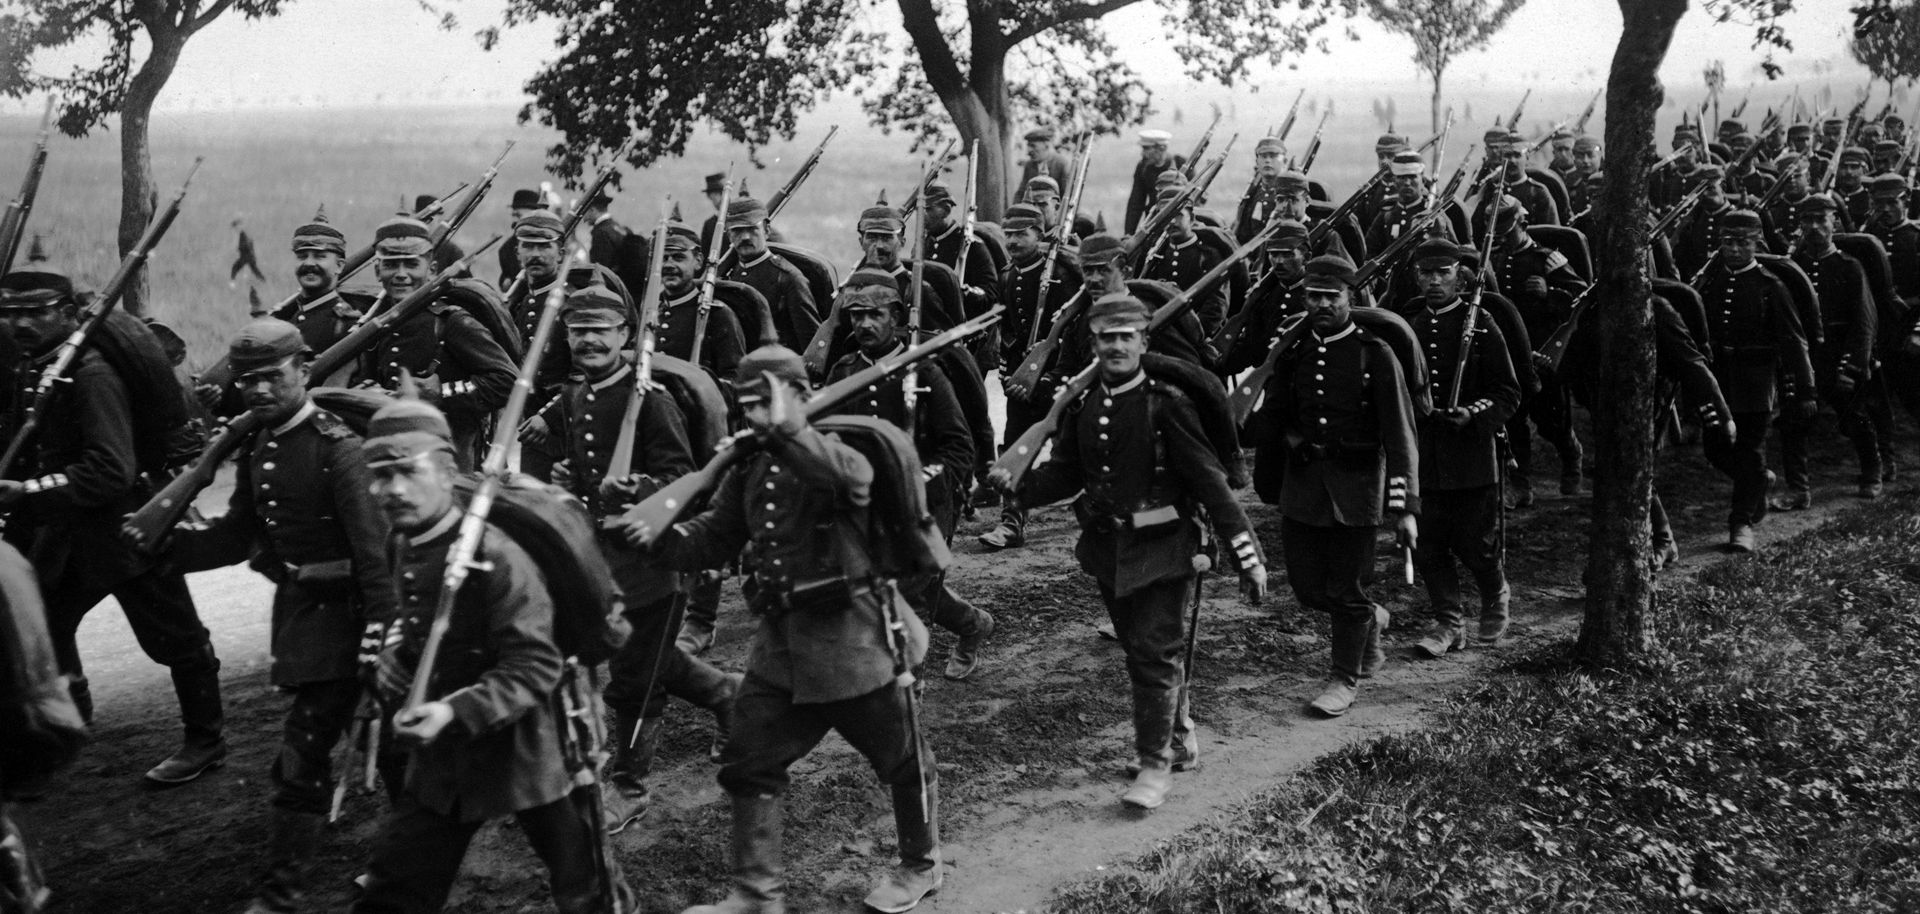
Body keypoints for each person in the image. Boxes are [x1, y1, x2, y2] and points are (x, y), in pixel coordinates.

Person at [630, 345, 944, 914]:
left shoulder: (842, 449)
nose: (756, 416)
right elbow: (714, 535)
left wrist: (790, 428)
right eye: (747, 405)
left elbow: (845, 479)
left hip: (856, 643)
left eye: (766, 402)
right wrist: (650, 528)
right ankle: (756, 895)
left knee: (904, 761)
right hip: (779, 647)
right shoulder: (750, 463)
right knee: (749, 763)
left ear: (802, 395)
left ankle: (920, 865)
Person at [989, 292, 1265, 809]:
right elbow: (1067, 472)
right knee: (1138, 648)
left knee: (1154, 652)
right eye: (1106, 338)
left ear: (1143, 341)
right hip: (1108, 547)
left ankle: (1155, 765)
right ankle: (1178, 737)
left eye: (1126, 337)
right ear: (1093, 343)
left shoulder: (1169, 405)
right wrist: (1014, 490)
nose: (1116, 346)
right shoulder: (1086, 403)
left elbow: (1212, 486)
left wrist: (1247, 556)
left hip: (1166, 546)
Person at [353, 397, 627, 913]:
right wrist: (395, 649)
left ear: (445, 470)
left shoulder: (495, 554)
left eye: (407, 472)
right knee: (398, 887)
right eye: (380, 475)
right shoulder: (404, 538)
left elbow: (535, 665)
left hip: (530, 745)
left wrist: (452, 711)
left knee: (585, 884)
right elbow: (408, 609)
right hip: (446, 755)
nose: (391, 490)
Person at [163, 318, 397, 913]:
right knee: (380, 755)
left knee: (311, 754)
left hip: (350, 625)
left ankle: (282, 893)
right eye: (248, 381)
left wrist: (381, 644)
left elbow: (378, 563)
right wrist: (159, 549)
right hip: (306, 623)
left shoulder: (337, 450)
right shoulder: (263, 441)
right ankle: (397, 863)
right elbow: (238, 533)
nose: (260, 390)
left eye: (272, 377)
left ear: (304, 368)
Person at [0, 266, 227, 787]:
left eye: (36, 313)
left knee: (178, 638)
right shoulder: (33, 367)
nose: (22, 325)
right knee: (50, 622)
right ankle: (72, 724)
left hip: (125, 528)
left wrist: (31, 492)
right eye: (11, 316)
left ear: (66, 314)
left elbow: (110, 469)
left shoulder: (90, 373)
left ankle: (205, 741)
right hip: (64, 536)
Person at [546, 285, 739, 831]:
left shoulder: (649, 399)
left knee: (634, 676)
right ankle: (728, 693)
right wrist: (570, 476)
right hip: (601, 556)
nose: (588, 340)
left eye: (600, 331)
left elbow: (684, 477)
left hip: (654, 557)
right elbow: (584, 463)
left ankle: (629, 786)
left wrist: (639, 487)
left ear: (625, 335)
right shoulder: (575, 395)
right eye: (578, 331)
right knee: (648, 657)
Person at [1245, 255, 1419, 717]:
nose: (1322, 304)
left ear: (1351, 297)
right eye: (1313, 297)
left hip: (1357, 488)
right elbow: (1274, 417)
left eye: (1332, 297)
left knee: (1345, 589)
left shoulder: (1374, 354)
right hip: (1303, 485)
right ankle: (1369, 617)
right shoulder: (1295, 351)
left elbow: (1400, 436)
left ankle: (1344, 678)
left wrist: (1406, 507)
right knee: (1306, 589)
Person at [825, 270, 995, 680]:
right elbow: (825, 440)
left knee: (911, 596)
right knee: (892, 588)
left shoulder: (926, 373)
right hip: (868, 506)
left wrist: (923, 482)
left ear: (896, 316)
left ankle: (906, 702)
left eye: (875, 315)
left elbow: (958, 446)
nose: (864, 324)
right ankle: (973, 624)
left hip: (925, 505)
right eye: (857, 316)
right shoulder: (844, 373)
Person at [1403, 240, 1521, 656]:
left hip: (1471, 452)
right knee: (1430, 542)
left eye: (1443, 273)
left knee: (1476, 542)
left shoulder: (1482, 323)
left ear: (1460, 275)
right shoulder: (1409, 324)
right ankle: (1448, 622)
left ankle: (1495, 594)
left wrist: (1472, 413)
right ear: (1415, 276)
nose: (1434, 281)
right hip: (1423, 450)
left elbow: (1508, 392)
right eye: (1426, 273)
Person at [1692, 210, 1816, 553]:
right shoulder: (1710, 283)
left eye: (1741, 243)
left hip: (1757, 380)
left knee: (1749, 450)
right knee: (1715, 449)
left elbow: (1794, 340)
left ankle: (1741, 524)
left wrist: (1805, 389)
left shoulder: (1770, 287)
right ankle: (1759, 481)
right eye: (1727, 242)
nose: (1733, 250)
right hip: (1720, 379)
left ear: (1756, 243)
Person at [356, 216, 517, 471]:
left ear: (431, 270)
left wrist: (441, 393)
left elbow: (507, 381)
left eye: (411, 264)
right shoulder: (375, 325)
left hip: (451, 468)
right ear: (378, 271)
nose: (401, 274)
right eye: (391, 265)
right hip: (393, 460)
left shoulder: (451, 322)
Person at [983, 203, 1083, 551]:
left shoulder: (1063, 273)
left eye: (1021, 234)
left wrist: (1050, 371)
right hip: (1023, 381)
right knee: (1014, 444)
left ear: (1039, 236)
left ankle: (1094, 514)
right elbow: (1008, 328)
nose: (1012, 241)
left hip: (1061, 375)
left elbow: (1072, 329)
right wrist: (1012, 367)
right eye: (1008, 234)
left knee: (1073, 447)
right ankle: (1011, 521)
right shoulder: (1008, 275)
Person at [1775, 195, 1879, 506]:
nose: (1815, 227)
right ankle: (1798, 489)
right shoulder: (1794, 268)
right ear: (1800, 225)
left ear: (1834, 222)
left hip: (1840, 353)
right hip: (1805, 356)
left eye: (1822, 220)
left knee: (1854, 417)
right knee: (1793, 422)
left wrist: (1852, 367)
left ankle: (1872, 471)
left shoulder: (1850, 267)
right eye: (1808, 221)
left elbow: (1864, 322)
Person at [1486, 194, 1587, 504]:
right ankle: (1521, 483)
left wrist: (1550, 292)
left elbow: (1581, 295)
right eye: (1498, 232)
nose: (1503, 237)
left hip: (1544, 350)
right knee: (1513, 418)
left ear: (1523, 223)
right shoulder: (1494, 259)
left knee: (1552, 420)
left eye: (1508, 230)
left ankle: (1571, 456)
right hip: (1510, 350)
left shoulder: (1548, 259)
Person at [503, 209, 578, 481]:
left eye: (544, 246)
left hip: (568, 428)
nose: (535, 254)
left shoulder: (572, 305)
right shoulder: (522, 305)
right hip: (531, 429)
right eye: (528, 246)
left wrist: (549, 417)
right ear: (518, 253)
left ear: (560, 252)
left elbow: (584, 373)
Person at [653, 221, 752, 381]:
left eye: (679, 258)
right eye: (663, 258)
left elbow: (734, 377)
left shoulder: (717, 314)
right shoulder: (651, 310)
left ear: (698, 261)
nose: (669, 265)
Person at [272, 212, 376, 360]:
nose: (308, 263)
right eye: (302, 256)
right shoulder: (287, 316)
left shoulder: (346, 326)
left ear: (339, 266)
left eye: (319, 256)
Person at [722, 196, 821, 350]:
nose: (745, 237)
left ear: (766, 230)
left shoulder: (789, 278)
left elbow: (810, 342)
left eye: (752, 229)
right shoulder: (727, 273)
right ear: (729, 235)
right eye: (737, 230)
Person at [1126, 129, 1185, 233]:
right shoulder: (1142, 168)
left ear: (1161, 148)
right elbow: (1136, 203)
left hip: (1180, 223)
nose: (1142, 153)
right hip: (1153, 224)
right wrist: (1128, 234)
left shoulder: (1181, 164)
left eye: (1146, 148)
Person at [499, 188, 541, 287]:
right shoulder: (506, 249)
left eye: (518, 215)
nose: (514, 220)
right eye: (513, 215)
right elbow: (506, 277)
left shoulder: (551, 242)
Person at [1019, 126, 1073, 193]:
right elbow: (1021, 192)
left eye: (1033, 146)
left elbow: (1066, 195)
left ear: (1047, 145)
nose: (1029, 151)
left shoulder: (1062, 164)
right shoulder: (1029, 165)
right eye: (1028, 146)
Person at [232, 217, 266, 286]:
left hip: (247, 257)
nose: (236, 229)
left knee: (235, 267)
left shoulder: (244, 235)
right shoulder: (242, 234)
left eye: (236, 226)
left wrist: (239, 248)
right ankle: (263, 281)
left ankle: (232, 283)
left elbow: (246, 245)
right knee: (255, 270)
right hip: (248, 257)